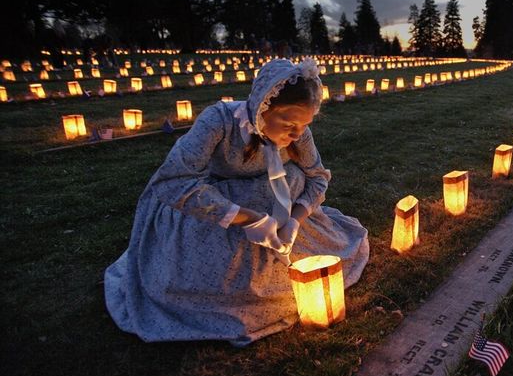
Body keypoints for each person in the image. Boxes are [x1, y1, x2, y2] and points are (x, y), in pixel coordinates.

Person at [104, 58, 369, 346]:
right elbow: (173, 181)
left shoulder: (299, 134)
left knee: (296, 185)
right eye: (289, 124)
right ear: (263, 107)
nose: (296, 134)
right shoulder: (218, 121)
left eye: (304, 125)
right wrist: (246, 218)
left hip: (277, 207)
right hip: (214, 209)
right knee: (225, 279)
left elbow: (317, 177)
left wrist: (295, 219)